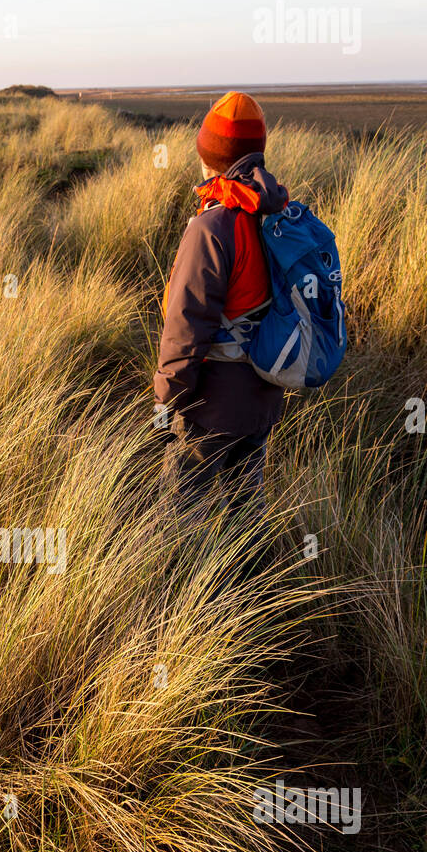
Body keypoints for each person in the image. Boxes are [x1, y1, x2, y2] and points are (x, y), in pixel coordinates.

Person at [154, 91, 289, 529]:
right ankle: (256, 591)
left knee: (178, 522)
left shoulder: (210, 227)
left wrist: (165, 402)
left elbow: (186, 328)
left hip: (211, 405)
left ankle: (174, 596)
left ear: (209, 154)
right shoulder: (278, 215)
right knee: (247, 519)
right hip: (263, 395)